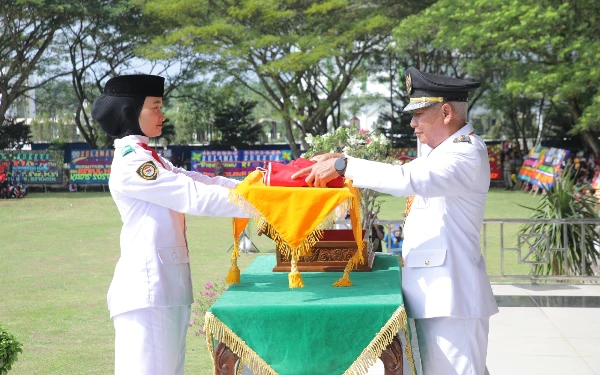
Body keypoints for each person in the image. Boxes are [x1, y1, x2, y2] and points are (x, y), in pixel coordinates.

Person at [292, 67, 498, 375]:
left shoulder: (465, 153)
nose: (413, 124)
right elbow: (400, 169)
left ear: (445, 112)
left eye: (418, 114)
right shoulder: (440, 154)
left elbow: (405, 179)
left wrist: (343, 165)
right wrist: (343, 157)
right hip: (435, 294)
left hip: (452, 298)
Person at [91, 74, 249, 375]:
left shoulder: (152, 159)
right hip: (148, 290)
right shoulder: (132, 162)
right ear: (130, 111)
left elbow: (202, 180)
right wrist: (264, 204)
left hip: (166, 288)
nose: (162, 115)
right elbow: (194, 196)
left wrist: (257, 188)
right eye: (155, 107)